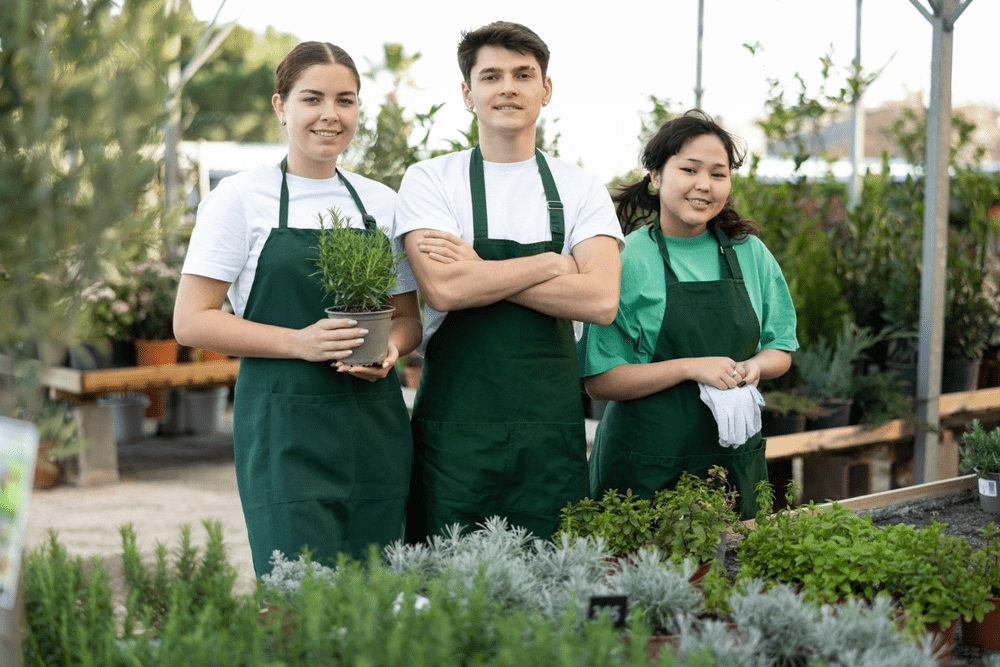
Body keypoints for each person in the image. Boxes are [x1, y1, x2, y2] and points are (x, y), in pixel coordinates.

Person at [173, 41, 421, 576]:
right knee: (298, 599)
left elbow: (406, 318)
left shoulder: (383, 203)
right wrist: (297, 342)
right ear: (281, 106)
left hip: (373, 428)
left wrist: (392, 348)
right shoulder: (239, 198)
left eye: (346, 100)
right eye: (313, 98)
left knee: (379, 599)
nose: (331, 115)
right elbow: (191, 320)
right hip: (284, 430)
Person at [394, 21, 625, 541]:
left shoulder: (580, 186)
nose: (508, 88)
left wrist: (478, 269)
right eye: (491, 75)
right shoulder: (431, 179)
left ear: (546, 89)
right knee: (446, 582)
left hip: (549, 437)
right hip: (456, 435)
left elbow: (602, 299)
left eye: (524, 75)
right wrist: (552, 264)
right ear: (467, 93)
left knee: (553, 584)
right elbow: (444, 290)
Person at [579, 110, 798, 519]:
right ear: (656, 176)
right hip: (646, 467)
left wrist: (754, 366)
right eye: (689, 169)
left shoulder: (750, 254)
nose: (704, 185)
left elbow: (780, 348)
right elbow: (599, 380)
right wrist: (690, 368)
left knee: (732, 573)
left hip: (732, 463)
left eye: (718, 174)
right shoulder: (628, 259)